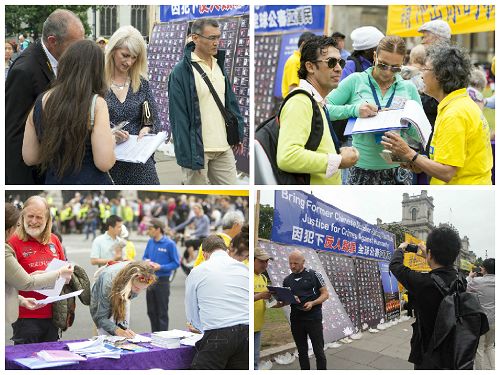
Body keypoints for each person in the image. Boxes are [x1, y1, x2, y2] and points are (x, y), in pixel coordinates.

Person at [381, 44, 493, 185]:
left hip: (461, 196)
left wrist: (410, 154)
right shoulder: (457, 104)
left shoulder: (455, 114)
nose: (421, 75)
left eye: (425, 69)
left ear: (441, 75)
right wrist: (419, 163)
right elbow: (446, 161)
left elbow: (447, 172)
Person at [326, 35, 423, 185]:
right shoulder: (355, 81)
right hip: (360, 168)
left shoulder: (409, 88)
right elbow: (323, 109)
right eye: (383, 65)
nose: (388, 72)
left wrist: (407, 122)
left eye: (395, 68)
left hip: (399, 170)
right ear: (375, 56)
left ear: (402, 63)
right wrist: (355, 110)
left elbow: (420, 134)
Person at [5, 9, 84, 184]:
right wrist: (21, 184)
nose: (79, 52)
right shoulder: (24, 71)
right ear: (52, 41)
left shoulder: (63, 58)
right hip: (35, 173)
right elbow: (13, 136)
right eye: (74, 46)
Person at [22, 39, 115, 184]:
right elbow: (104, 162)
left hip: (54, 181)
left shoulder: (41, 101)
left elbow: (30, 157)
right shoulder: (97, 103)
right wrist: (112, 141)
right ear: (97, 70)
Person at [168, 18, 244, 185]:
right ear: (195, 38)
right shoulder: (180, 72)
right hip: (197, 149)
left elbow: (230, 103)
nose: (216, 42)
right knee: (199, 195)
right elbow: (178, 117)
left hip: (223, 147)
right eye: (212, 38)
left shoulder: (219, 65)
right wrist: (186, 152)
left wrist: (237, 132)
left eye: (218, 37)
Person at [277, 36, 359, 185]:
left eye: (340, 62)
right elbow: (287, 156)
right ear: (310, 67)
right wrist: (339, 160)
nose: (339, 68)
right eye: (331, 62)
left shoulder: (316, 101)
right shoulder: (300, 101)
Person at [389, 227, 463, 369]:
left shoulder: (423, 282)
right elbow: (443, 269)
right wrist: (429, 255)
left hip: (428, 353)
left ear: (429, 253)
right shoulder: (460, 279)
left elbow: (395, 265)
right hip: (454, 350)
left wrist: (401, 248)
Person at [8, 196, 68, 344]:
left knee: (52, 361)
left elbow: (63, 270)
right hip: (26, 317)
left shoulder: (54, 240)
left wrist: (68, 274)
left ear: (47, 219)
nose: (34, 221)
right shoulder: (11, 241)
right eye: (30, 216)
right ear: (22, 216)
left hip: (53, 315)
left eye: (39, 217)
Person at [105, 25, 161, 184]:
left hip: (139, 163)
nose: (129, 62)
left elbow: (150, 117)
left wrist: (147, 128)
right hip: (108, 160)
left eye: (134, 57)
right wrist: (109, 135)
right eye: (125, 55)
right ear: (113, 50)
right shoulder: (96, 83)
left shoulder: (141, 84)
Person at [185, 235, 249, 369]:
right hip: (246, 333)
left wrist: (201, 328)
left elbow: (191, 312)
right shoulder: (243, 268)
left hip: (218, 333)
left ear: (204, 254)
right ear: (226, 250)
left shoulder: (197, 271)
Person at [283, 250, 329, 370]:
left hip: (313, 319)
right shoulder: (287, 280)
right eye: (290, 263)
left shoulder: (314, 275)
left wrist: (313, 303)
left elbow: (325, 294)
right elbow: (285, 301)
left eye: (296, 263)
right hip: (296, 320)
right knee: (302, 352)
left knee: (318, 351)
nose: (292, 266)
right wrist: (277, 301)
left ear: (303, 262)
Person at [90, 261, 157, 338]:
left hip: (124, 288)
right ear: (129, 281)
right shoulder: (108, 283)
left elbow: (129, 296)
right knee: (104, 330)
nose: (138, 292)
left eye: (143, 289)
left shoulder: (140, 274)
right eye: (136, 288)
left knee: (123, 326)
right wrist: (116, 330)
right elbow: (100, 317)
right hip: (107, 287)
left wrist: (123, 329)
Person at [142, 219, 180, 332]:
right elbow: (144, 257)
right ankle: (154, 335)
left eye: (150, 229)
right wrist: (147, 262)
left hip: (162, 280)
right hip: (149, 280)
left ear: (158, 229)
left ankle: (163, 337)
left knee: (162, 312)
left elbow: (176, 263)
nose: (148, 231)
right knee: (151, 311)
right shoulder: (150, 242)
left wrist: (161, 267)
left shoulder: (169, 244)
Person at [467, 258, 495, 370]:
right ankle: (494, 369)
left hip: (482, 321)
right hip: (495, 320)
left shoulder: (478, 281)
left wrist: (470, 277)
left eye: (482, 267)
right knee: (490, 347)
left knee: (479, 349)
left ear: (485, 269)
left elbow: (465, 288)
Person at [254, 247, 275, 369]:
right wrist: (260, 295)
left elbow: (267, 301)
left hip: (258, 326)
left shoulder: (263, 278)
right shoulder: (245, 275)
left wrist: (281, 303)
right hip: (245, 327)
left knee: (255, 360)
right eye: (262, 261)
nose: (265, 264)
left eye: (267, 261)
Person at [281, 31, 316, 97]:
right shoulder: (294, 61)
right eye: (311, 47)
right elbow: (293, 88)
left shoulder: (301, 61)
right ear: (303, 44)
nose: (313, 50)